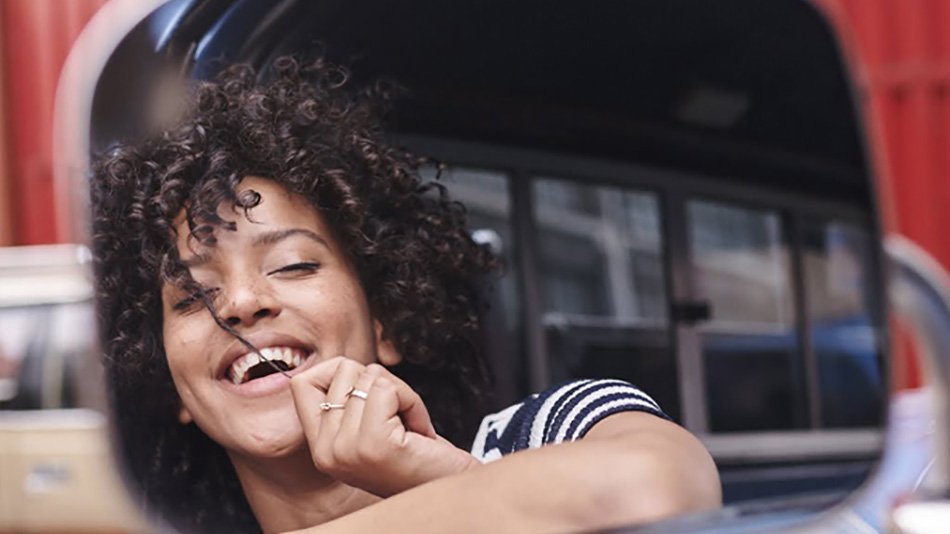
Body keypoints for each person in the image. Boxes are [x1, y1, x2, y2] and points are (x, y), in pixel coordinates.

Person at [91, 56, 720, 534]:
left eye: (291, 264)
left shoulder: (549, 431)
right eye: (194, 297)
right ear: (167, 382)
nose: (241, 303)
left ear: (387, 318)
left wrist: (438, 479)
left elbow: (653, 491)